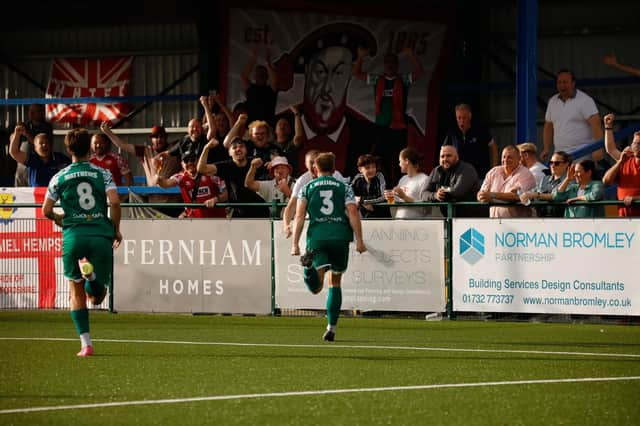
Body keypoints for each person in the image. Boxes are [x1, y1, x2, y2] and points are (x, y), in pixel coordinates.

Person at [41, 128, 122, 357]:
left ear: (68, 150)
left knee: (76, 294)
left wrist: (59, 219)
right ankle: (92, 277)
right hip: (99, 236)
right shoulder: (102, 173)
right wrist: (115, 230)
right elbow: (115, 202)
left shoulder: (59, 176)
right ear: (90, 149)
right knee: (98, 297)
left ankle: (86, 345)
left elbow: (46, 210)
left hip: (74, 236)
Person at [273, 22, 379, 178]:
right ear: (308, 70)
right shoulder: (283, 123)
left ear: (349, 76)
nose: (327, 87)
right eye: (320, 71)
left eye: (338, 73)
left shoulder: (365, 133)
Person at [290, 152, 366, 342]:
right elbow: (353, 212)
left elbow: (299, 216)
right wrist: (359, 240)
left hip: (318, 237)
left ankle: (308, 269)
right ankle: (331, 327)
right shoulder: (344, 187)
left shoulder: (306, 188)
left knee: (316, 288)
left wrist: (294, 244)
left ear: (315, 169)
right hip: (340, 237)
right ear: (334, 169)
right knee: (336, 281)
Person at [352, 47, 424, 184]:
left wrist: (411, 55)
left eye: (393, 62)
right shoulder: (377, 79)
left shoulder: (403, 79)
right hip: (381, 126)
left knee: (400, 159)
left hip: (399, 126)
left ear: (397, 65)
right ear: (384, 65)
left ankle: (399, 185)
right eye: (387, 63)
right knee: (380, 158)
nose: (390, 65)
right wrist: (360, 57)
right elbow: (356, 73)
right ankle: (384, 186)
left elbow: (419, 72)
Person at [100, 123, 183, 217]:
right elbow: (122, 145)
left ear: (166, 137)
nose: (159, 139)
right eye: (155, 137)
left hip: (174, 203)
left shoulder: (175, 148)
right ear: (151, 139)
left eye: (161, 136)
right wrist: (108, 132)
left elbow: (191, 139)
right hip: (154, 203)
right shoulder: (145, 151)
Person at [197, 137, 270, 218]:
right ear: (229, 153)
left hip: (260, 211)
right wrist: (206, 148)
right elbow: (201, 169)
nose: (238, 149)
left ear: (246, 150)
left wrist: (270, 164)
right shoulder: (226, 166)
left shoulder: (255, 162)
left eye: (241, 146)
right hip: (238, 212)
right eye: (234, 147)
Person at [542, 69, 603, 162]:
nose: (562, 85)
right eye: (559, 82)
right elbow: (548, 126)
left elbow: (596, 124)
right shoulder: (552, 101)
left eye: (565, 82)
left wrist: (598, 148)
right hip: (559, 155)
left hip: (582, 154)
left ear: (573, 83)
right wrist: (546, 148)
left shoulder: (585, 100)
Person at [282, 149, 346, 238]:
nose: (313, 165)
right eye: (310, 162)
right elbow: (291, 206)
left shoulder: (336, 175)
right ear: (305, 164)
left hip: (335, 221)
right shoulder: (302, 180)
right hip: (313, 223)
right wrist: (286, 225)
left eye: (315, 162)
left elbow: (348, 201)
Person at [155, 150, 227, 218]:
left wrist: (216, 199)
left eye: (192, 160)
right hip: (195, 221)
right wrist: (159, 179)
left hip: (217, 219)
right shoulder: (180, 177)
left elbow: (227, 194)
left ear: (198, 161)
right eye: (186, 161)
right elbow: (166, 184)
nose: (190, 163)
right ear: (182, 164)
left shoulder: (210, 174)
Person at [421, 145, 482, 217]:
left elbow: (457, 191)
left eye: (448, 156)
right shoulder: (436, 170)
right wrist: (435, 195)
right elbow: (423, 194)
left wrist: (441, 189)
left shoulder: (467, 169)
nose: (445, 159)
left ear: (457, 157)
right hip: (449, 218)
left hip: (472, 219)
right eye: (442, 156)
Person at [442, 103, 498, 179]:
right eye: (459, 118)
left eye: (464, 118)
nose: (461, 121)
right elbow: (443, 151)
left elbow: (493, 147)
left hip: (480, 176)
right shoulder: (452, 133)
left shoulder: (480, 130)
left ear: (470, 116)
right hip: (459, 176)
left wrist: (493, 168)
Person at [477, 145, 536, 218]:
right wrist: (481, 196)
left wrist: (493, 195)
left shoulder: (525, 174)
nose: (505, 160)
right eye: (503, 157)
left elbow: (518, 196)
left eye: (509, 157)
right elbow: (482, 193)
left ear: (519, 159)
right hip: (494, 223)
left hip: (518, 225)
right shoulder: (493, 172)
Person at [602, 113, 640, 216]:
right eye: (635, 143)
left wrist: (635, 199)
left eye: (639, 144)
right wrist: (608, 127)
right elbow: (610, 149)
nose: (637, 146)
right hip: (624, 219)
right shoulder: (626, 160)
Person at [519, 151, 572, 218]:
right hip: (542, 219)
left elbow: (556, 196)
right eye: (551, 163)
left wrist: (535, 195)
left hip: (562, 221)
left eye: (556, 163)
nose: (552, 166)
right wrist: (521, 192)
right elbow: (532, 192)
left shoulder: (570, 180)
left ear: (566, 164)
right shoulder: (545, 179)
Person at [14, 103, 54, 187]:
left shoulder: (46, 126)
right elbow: (13, 142)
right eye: (30, 111)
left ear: (41, 112)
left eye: (33, 111)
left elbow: (39, 143)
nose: (30, 113)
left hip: (36, 165)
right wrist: (16, 133)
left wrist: (26, 133)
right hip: (22, 164)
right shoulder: (26, 125)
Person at [385, 147, 430, 219]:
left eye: (400, 161)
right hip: (400, 222)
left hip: (416, 226)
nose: (399, 164)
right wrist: (390, 197)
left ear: (406, 161)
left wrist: (404, 197)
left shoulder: (424, 179)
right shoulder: (403, 179)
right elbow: (395, 202)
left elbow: (426, 209)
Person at [241, 48, 278, 125]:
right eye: (258, 75)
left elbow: (275, 80)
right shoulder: (251, 88)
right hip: (251, 127)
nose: (260, 76)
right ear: (254, 77)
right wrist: (253, 58)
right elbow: (243, 76)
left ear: (267, 77)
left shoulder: (270, 89)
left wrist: (267, 63)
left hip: (268, 127)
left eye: (262, 75)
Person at [350, 154, 390, 218]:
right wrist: (357, 200)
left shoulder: (380, 176)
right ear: (360, 169)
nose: (371, 170)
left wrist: (362, 200)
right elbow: (348, 193)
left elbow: (383, 197)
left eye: (373, 167)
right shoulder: (357, 178)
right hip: (365, 217)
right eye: (367, 168)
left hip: (382, 217)